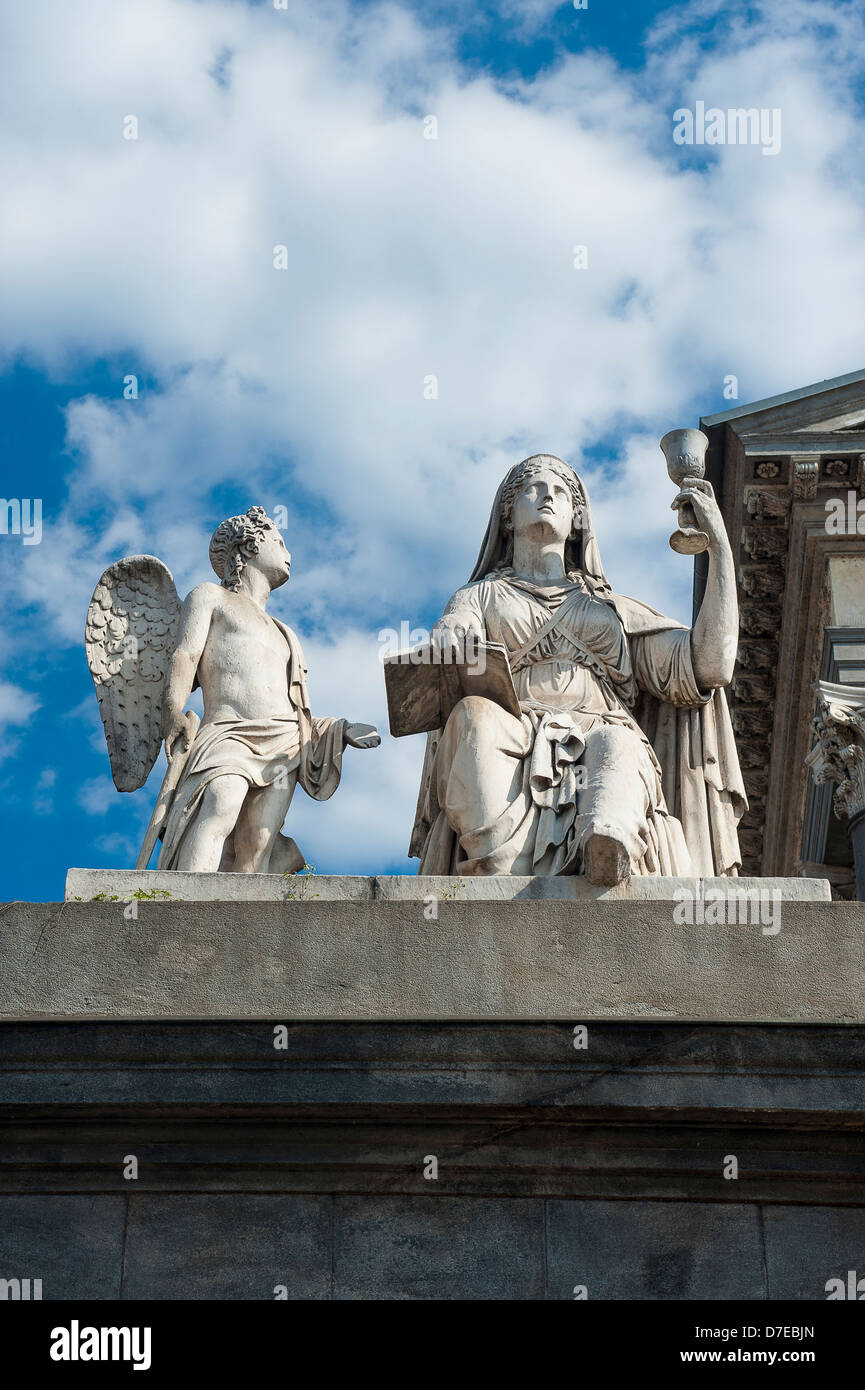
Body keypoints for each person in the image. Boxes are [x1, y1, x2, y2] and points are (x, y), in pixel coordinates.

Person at [409, 455, 745, 885]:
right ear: (507, 516)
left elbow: (710, 665)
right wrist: (452, 639)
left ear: (577, 520)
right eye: (534, 488)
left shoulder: (613, 611)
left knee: (617, 746)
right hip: (511, 729)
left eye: (562, 491)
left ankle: (606, 842)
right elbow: (455, 634)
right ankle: (499, 873)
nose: (548, 495)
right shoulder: (479, 596)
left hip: (601, 724)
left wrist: (719, 548)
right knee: (473, 719)